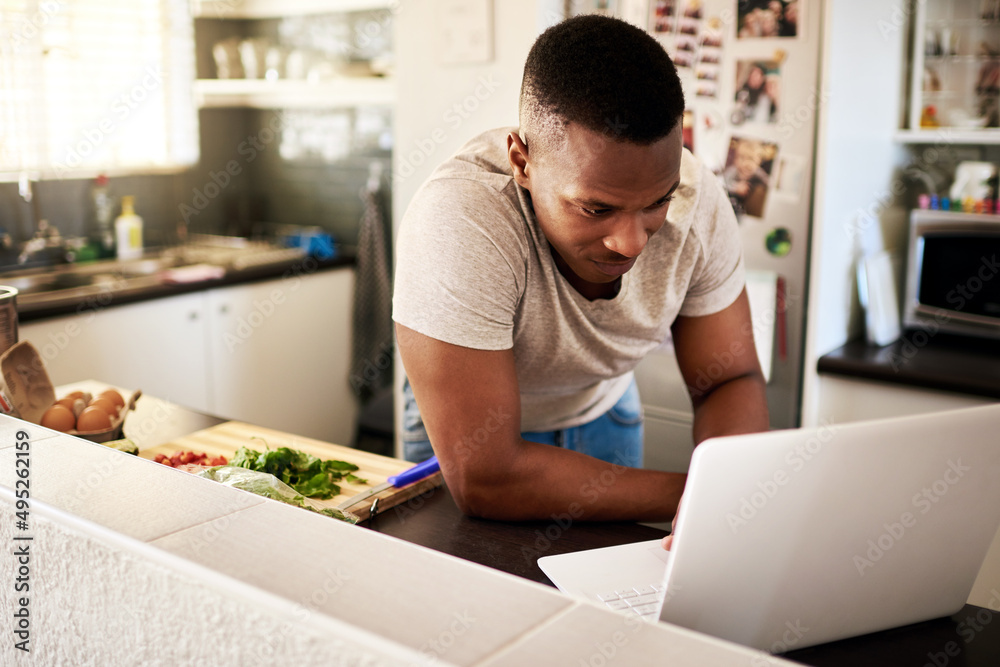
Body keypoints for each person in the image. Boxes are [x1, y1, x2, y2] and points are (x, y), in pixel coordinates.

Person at [393, 15, 768, 528]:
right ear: (522, 162)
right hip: (466, 436)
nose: (632, 242)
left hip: (604, 411)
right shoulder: (461, 218)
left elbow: (731, 377)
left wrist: (731, 492)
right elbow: (487, 477)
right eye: (597, 209)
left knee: (609, 601)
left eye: (658, 201)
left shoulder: (699, 202)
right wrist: (702, 498)